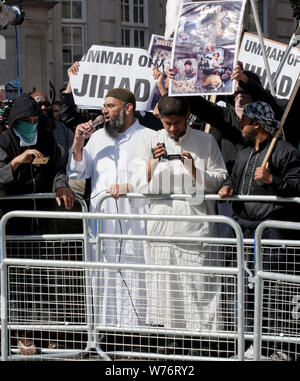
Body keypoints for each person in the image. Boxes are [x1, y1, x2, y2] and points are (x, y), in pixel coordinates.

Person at [131, 95, 227, 339]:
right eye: (166, 123)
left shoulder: (205, 141)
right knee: (165, 289)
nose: (172, 129)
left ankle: (204, 341)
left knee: (199, 289)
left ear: (187, 118)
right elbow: (138, 183)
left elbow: (219, 180)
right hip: (162, 228)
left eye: (176, 123)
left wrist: (194, 169)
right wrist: (153, 162)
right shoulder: (151, 141)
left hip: (196, 229)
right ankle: (170, 339)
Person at [218, 101, 300, 358]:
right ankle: (253, 345)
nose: (240, 124)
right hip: (242, 229)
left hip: (270, 233)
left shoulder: (285, 152)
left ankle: (281, 348)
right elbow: (234, 177)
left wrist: (272, 180)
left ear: (257, 124)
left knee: (274, 291)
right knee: (245, 289)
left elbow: (296, 185)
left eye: (244, 120)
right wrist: (228, 186)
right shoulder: (243, 153)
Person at [67, 88, 155, 329]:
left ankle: (136, 330)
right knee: (103, 272)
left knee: (136, 271)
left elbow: (158, 178)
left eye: (110, 106)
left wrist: (129, 187)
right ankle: (105, 328)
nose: (104, 111)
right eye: (103, 107)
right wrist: (78, 144)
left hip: (135, 220)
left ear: (128, 108)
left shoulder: (149, 137)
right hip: (102, 220)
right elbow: (78, 172)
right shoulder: (96, 139)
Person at [31, 90, 74, 167]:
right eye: (39, 104)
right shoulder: (27, 130)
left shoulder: (61, 127)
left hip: (61, 176)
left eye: (46, 104)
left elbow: (74, 147)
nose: (44, 107)